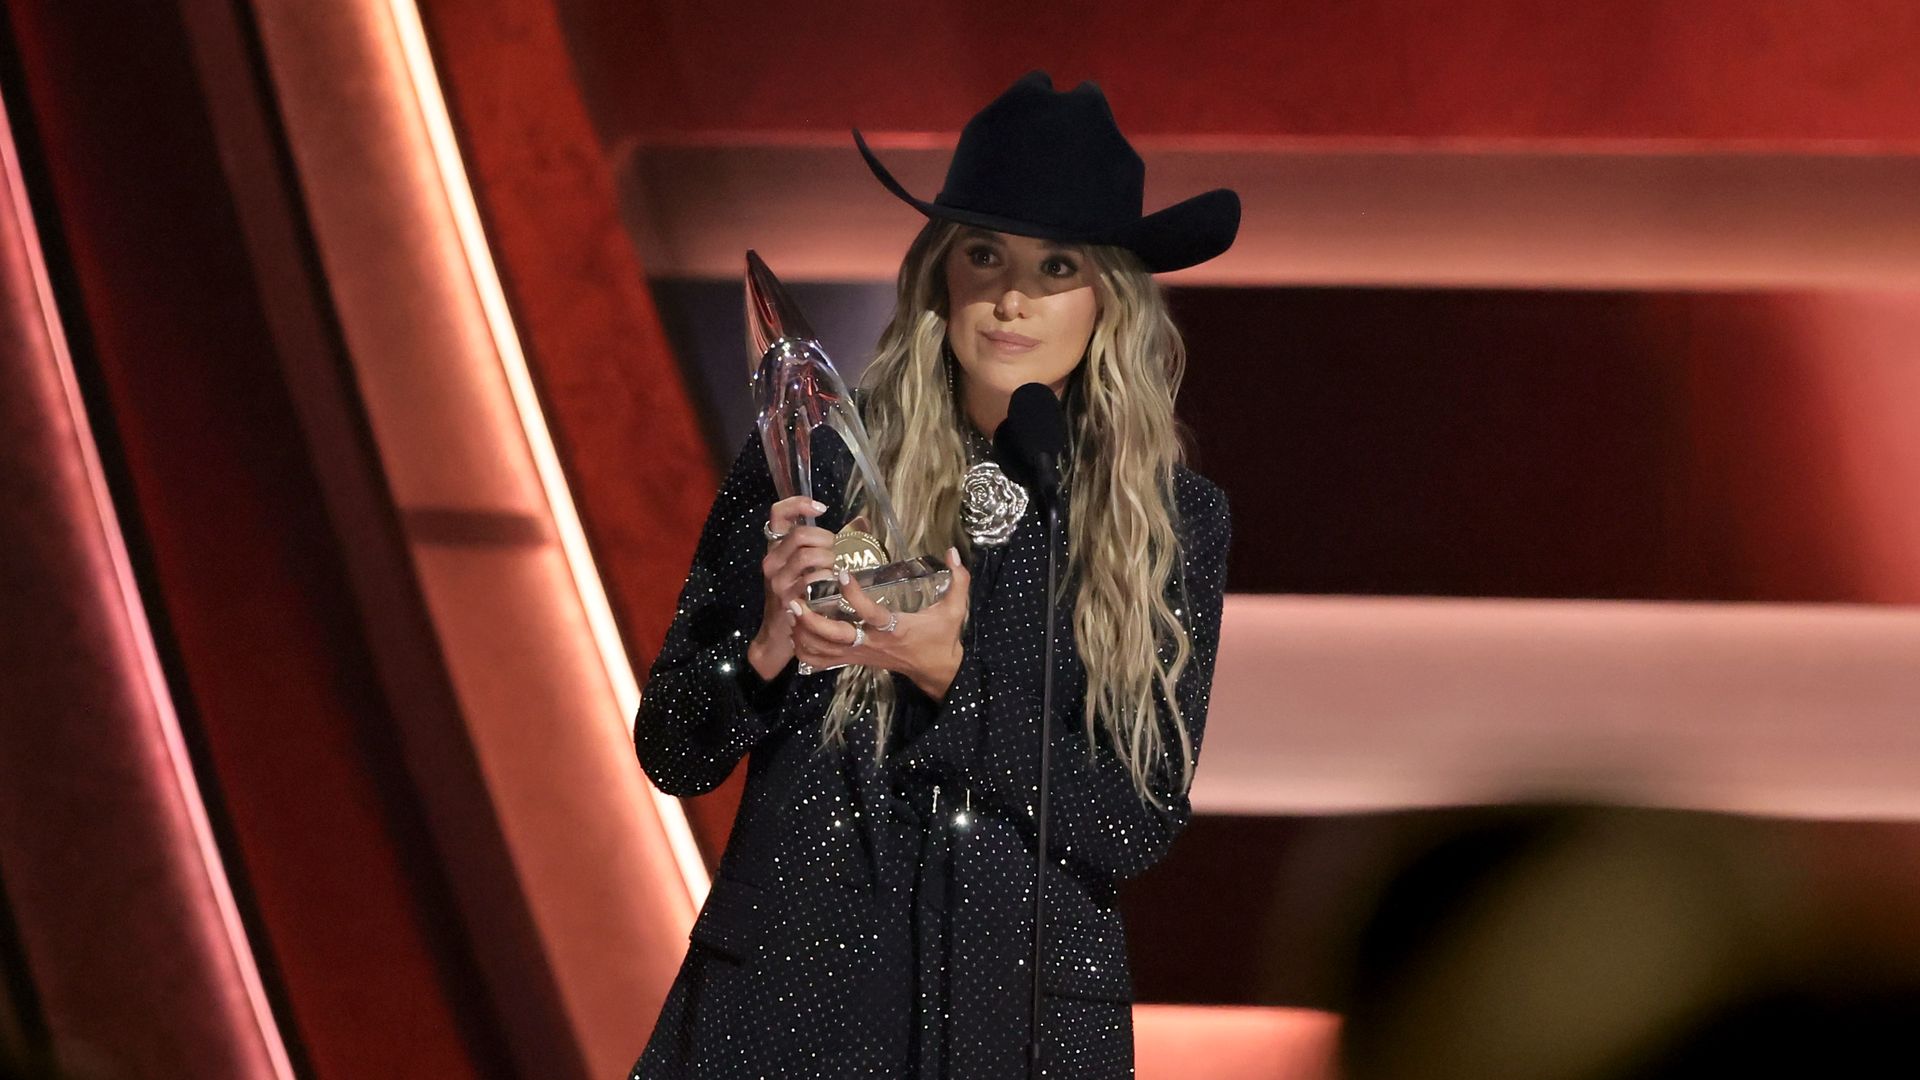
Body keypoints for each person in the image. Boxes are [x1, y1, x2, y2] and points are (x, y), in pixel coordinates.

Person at [629, 69, 1239, 1079]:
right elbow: (672, 747)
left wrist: (952, 677)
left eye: (1056, 267)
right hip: (788, 1007)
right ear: (939, 273)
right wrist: (767, 648)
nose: (1011, 297)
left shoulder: (1169, 520)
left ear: (1110, 299)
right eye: (985, 254)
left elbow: (1133, 819)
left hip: (1021, 1024)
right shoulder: (824, 459)